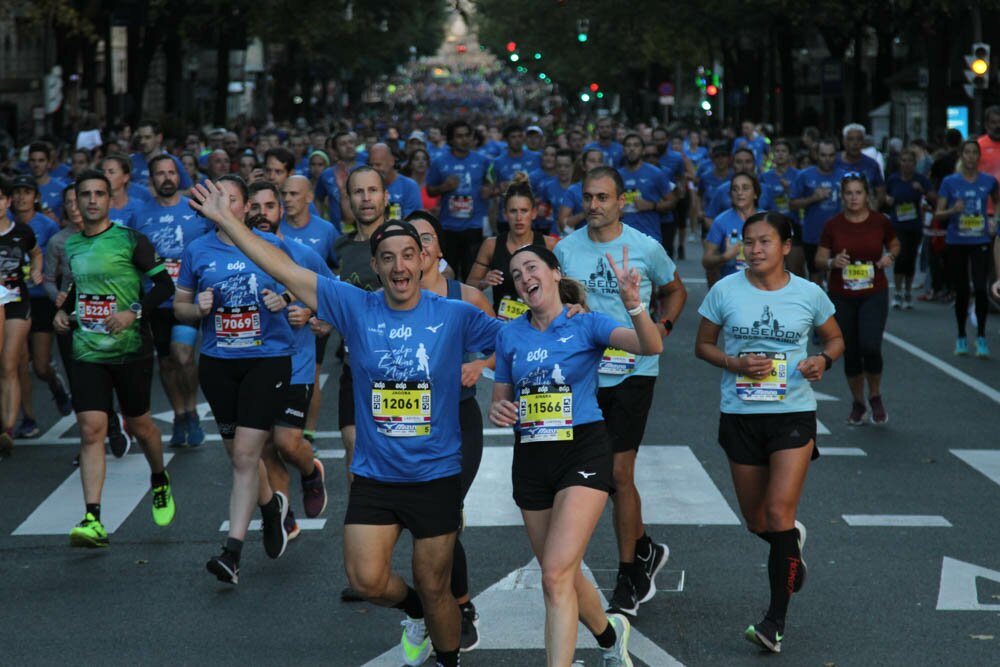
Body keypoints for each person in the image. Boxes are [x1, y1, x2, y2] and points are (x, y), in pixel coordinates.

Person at [189, 177, 501, 667]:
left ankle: (447, 658)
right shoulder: (356, 307)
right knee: (368, 581)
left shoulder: (456, 314)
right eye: (387, 258)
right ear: (375, 267)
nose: (399, 266)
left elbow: (516, 343)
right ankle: (415, 610)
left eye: (408, 254)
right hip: (377, 477)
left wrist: (564, 319)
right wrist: (227, 220)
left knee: (437, 584)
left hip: (435, 475)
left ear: (425, 260)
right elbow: (283, 269)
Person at [489, 243, 663, 666]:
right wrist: (497, 409)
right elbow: (500, 399)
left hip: (581, 450)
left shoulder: (585, 324)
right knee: (562, 571)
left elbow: (650, 346)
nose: (524, 277)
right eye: (516, 274)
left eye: (532, 267)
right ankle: (609, 635)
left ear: (553, 273)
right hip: (531, 458)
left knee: (553, 575)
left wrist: (634, 304)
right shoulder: (509, 333)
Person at [694, 211, 844, 654]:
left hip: (793, 413)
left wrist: (823, 360)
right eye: (748, 242)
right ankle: (789, 551)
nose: (755, 250)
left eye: (764, 242)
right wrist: (735, 363)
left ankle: (773, 622)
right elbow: (702, 346)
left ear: (785, 246)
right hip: (740, 413)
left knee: (778, 513)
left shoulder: (808, 293)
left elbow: (834, 339)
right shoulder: (725, 290)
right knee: (758, 521)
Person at [555, 166, 686, 619]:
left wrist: (663, 326)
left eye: (603, 198)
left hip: (634, 368)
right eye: (588, 197)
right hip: (585, 373)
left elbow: (675, 290)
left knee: (618, 472)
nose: (594, 206)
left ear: (620, 201)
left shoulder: (645, 247)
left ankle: (629, 574)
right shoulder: (566, 249)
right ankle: (645, 547)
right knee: (591, 472)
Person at [173, 174, 294, 583]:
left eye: (232, 199)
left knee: (245, 455)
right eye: (216, 199)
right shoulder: (197, 250)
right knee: (238, 456)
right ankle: (270, 507)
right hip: (219, 362)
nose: (223, 205)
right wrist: (198, 308)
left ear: (245, 207)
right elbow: (180, 308)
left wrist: (285, 298)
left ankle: (232, 553)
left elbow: (303, 285)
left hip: (267, 360)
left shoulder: (270, 245)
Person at [52, 169, 177, 547]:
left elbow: (165, 285)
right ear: (75, 201)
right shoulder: (72, 246)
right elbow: (79, 290)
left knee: (141, 427)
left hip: (130, 350)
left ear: (109, 199)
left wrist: (132, 313)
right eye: (84, 194)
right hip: (87, 350)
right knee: (92, 428)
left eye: (99, 194)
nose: (91, 200)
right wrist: (63, 314)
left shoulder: (130, 240)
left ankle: (159, 477)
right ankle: (93, 518)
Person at [407, 209, 495, 652]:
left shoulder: (467, 298)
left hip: (458, 422)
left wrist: (480, 363)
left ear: (439, 249)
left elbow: (510, 342)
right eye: (410, 240)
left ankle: (458, 606)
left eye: (426, 239)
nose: (419, 247)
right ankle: (430, 602)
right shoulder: (388, 301)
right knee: (425, 522)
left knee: (445, 513)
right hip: (407, 427)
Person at [247, 181, 330, 540]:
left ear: (281, 211)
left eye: (270, 206)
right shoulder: (229, 257)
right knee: (263, 446)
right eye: (255, 206)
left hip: (294, 362)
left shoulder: (301, 253)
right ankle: (284, 513)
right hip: (249, 364)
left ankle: (310, 473)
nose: (262, 213)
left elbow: (330, 294)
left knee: (285, 442)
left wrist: (308, 310)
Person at [132, 153, 212, 446]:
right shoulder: (139, 215)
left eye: (171, 172)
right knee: (166, 363)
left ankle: (191, 409)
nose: (167, 178)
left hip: (187, 296)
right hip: (156, 300)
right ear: (151, 179)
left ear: (180, 177)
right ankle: (179, 415)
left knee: (183, 355)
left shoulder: (194, 210)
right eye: (160, 173)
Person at [45, 183, 129, 460]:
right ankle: (90, 441)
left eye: (77, 200)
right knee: (81, 382)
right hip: (72, 317)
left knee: (106, 376)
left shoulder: (111, 235)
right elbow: (47, 277)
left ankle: (113, 423)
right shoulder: (59, 241)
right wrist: (56, 297)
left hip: (106, 317)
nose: (74, 206)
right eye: (69, 202)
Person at [814, 174, 899, 425]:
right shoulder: (833, 225)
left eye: (858, 193)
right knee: (850, 349)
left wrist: (889, 259)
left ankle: (875, 395)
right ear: (842, 197)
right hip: (842, 294)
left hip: (874, 291)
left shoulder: (880, 222)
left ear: (867, 195)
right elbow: (819, 259)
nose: (853, 198)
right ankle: (858, 402)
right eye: (849, 193)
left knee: (870, 346)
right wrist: (832, 262)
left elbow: (895, 245)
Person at [9, 174, 66, 438]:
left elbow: (53, 255)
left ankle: (56, 384)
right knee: (18, 363)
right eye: (17, 192)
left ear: (36, 197)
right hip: (12, 300)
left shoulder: (47, 225)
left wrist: (41, 272)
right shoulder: (5, 222)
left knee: (40, 366)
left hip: (41, 298)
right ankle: (28, 418)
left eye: (27, 192)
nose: (21, 197)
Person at [933, 140, 1000, 358]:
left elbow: (997, 202)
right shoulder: (950, 182)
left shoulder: (988, 181)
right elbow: (938, 213)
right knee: (962, 290)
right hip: (957, 241)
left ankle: (981, 337)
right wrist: (954, 209)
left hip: (979, 240)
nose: (971, 157)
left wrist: (994, 220)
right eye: (967, 153)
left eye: (975, 153)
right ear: (961, 156)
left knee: (980, 288)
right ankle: (961, 336)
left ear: (979, 157)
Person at [467, 179, 557, 318]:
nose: (519, 217)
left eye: (524, 211)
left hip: (541, 323)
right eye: (513, 211)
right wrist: (483, 283)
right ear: (505, 214)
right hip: (503, 325)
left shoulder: (550, 245)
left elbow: (566, 286)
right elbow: (469, 285)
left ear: (533, 213)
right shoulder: (491, 245)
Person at [0, 177, 43, 454]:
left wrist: (37, 270)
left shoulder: (22, 231)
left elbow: (36, 253)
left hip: (16, 302)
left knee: (8, 363)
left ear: (7, 201)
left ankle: (7, 430)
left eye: (0, 198)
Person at [426, 119, 492, 281]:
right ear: (451, 140)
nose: (464, 140)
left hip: (474, 226)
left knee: (472, 274)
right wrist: (444, 187)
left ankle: (470, 304)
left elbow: (491, 185)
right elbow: (429, 190)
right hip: (449, 227)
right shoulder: (439, 162)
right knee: (449, 274)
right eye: (459, 136)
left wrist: (489, 190)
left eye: (467, 135)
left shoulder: (483, 161)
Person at [884, 149, 935, 309]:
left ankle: (907, 291)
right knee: (900, 256)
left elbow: (935, 198)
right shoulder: (893, 180)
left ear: (915, 164)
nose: (907, 164)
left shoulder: (920, 180)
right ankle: (898, 292)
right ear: (900, 163)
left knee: (911, 258)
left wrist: (923, 191)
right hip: (897, 224)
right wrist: (888, 199)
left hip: (914, 225)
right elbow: (882, 197)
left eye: (910, 161)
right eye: (904, 161)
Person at [790, 139, 845, 284]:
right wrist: (813, 198)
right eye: (823, 155)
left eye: (831, 155)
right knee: (815, 275)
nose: (827, 159)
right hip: (813, 235)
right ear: (816, 155)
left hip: (839, 235)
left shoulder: (844, 176)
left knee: (837, 274)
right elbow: (793, 204)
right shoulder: (804, 176)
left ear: (836, 155)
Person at [703, 173, 765, 287]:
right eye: (735, 189)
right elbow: (706, 261)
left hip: (763, 284)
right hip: (732, 287)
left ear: (755, 193)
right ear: (730, 194)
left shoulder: (767, 220)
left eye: (745, 188)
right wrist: (725, 256)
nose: (740, 193)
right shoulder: (721, 221)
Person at [617, 133, 676, 241]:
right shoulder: (616, 176)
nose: (632, 149)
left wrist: (652, 206)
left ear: (643, 150)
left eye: (636, 145)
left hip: (649, 236)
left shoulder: (656, 173)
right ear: (623, 150)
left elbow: (672, 202)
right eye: (628, 146)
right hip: (622, 237)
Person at [130, 120, 193, 191]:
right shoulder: (131, 160)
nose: (142, 141)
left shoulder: (172, 161)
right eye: (140, 137)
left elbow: (190, 190)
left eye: (147, 137)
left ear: (159, 138)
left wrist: (168, 196)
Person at [557, 148, 607, 235]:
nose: (597, 164)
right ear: (583, 166)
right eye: (592, 161)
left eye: (600, 161)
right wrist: (585, 214)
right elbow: (562, 224)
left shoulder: (610, 188)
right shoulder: (573, 190)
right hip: (582, 240)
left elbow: (620, 213)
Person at [368, 143, 423, 221]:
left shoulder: (409, 186)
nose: (374, 169)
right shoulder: (368, 187)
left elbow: (414, 222)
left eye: (378, 164)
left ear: (391, 161)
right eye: (371, 165)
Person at [835, 124, 886, 207]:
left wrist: (873, 209)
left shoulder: (871, 164)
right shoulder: (834, 161)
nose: (855, 143)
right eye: (851, 139)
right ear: (844, 141)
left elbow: (880, 192)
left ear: (863, 142)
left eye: (859, 139)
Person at [401, 146, 439, 215]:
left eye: (424, 159)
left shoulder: (434, 186)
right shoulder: (403, 185)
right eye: (416, 159)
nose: (421, 162)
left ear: (428, 164)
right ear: (410, 164)